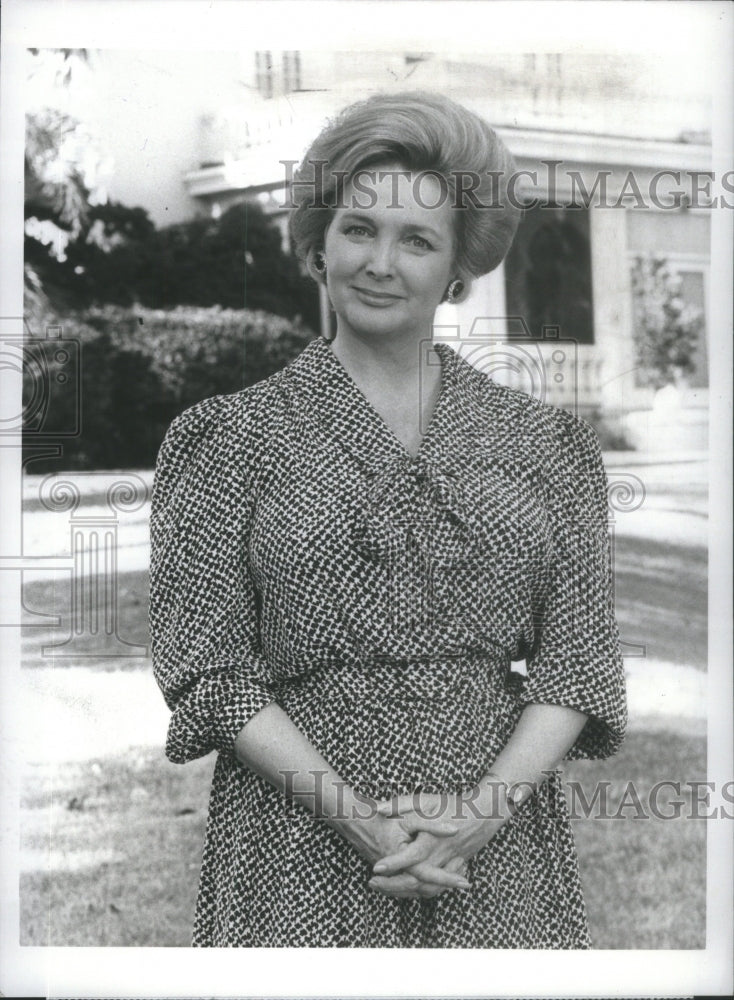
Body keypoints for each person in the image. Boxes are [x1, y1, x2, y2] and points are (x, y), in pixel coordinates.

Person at [150, 90, 627, 948]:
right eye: (358, 229)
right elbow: (209, 670)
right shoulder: (225, 440)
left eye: (416, 240)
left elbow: (578, 664)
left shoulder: (546, 446)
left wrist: (474, 819)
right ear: (317, 249)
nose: (381, 262)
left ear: (457, 273)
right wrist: (364, 823)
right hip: (295, 839)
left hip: (497, 838)